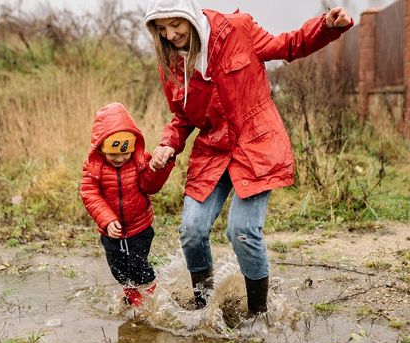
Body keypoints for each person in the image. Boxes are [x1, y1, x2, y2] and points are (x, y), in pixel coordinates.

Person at [144, 0, 353, 316]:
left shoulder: (237, 30)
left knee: (241, 230)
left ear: (190, 15)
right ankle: (204, 306)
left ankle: (258, 315)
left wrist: (325, 26)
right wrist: (167, 145)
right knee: (192, 229)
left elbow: (287, 45)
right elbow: (182, 118)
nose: (171, 35)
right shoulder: (171, 64)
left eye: (176, 25)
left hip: (255, 144)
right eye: (162, 29)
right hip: (213, 151)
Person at [80, 102, 175, 307]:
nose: (120, 158)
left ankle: (152, 299)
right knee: (119, 269)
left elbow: (149, 186)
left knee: (138, 266)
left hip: (139, 227)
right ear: (101, 147)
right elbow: (89, 193)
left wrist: (158, 169)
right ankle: (133, 298)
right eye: (113, 154)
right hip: (111, 231)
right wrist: (107, 219)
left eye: (125, 153)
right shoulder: (93, 167)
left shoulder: (140, 161)